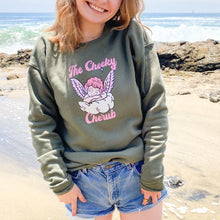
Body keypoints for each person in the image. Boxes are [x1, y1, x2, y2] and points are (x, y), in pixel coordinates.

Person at [27, 0, 168, 220]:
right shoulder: (46, 48)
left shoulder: (131, 35)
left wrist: (153, 172)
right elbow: (41, 122)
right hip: (82, 184)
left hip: (138, 175)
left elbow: (155, 107)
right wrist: (60, 183)